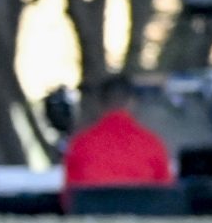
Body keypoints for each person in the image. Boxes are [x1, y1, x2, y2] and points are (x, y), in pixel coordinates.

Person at [62, 73, 176, 210]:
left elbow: (68, 200)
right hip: (141, 220)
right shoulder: (152, 143)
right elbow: (166, 197)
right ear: (132, 102)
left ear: (100, 104)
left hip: (93, 220)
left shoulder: (79, 144)